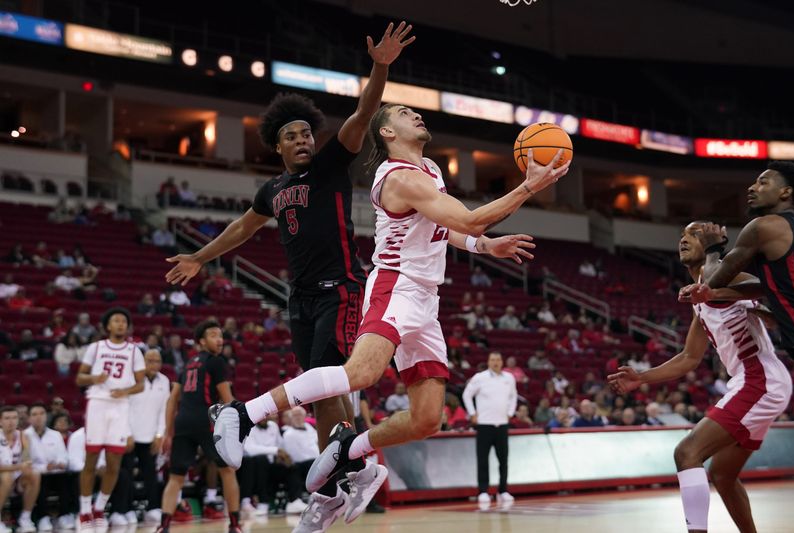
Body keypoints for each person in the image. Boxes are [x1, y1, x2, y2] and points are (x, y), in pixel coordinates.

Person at [211, 99, 566, 518]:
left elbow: (444, 227)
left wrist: (484, 246)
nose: (415, 114)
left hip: (426, 301)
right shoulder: (397, 176)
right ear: (387, 133)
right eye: (402, 114)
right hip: (394, 285)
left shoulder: (429, 169)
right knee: (360, 373)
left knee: (427, 419)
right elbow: (469, 219)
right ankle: (244, 413)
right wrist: (529, 187)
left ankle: (350, 447)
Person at [166, 21, 417, 532]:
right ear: (276, 146)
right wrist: (200, 256)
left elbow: (364, 112)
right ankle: (350, 471)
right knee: (323, 390)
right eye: (292, 135)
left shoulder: (329, 165)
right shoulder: (273, 190)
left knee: (324, 378)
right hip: (298, 297)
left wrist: (381, 67)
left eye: (306, 132)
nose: (302, 139)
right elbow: (242, 227)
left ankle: (338, 462)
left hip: (341, 288)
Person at [609, 221, 792, 533]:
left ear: (711, 241)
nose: (683, 239)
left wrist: (738, 298)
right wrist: (642, 377)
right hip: (756, 381)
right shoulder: (700, 301)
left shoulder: (729, 276)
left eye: (692, 234)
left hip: (760, 379)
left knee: (686, 452)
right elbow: (689, 357)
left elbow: (773, 302)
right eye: (681, 234)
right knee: (722, 475)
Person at [681, 161, 794, 360]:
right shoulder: (793, 227)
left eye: (763, 183)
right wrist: (718, 294)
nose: (752, 187)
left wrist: (713, 249)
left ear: (785, 192)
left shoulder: (762, 227)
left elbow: (713, 280)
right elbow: (767, 286)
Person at [155, 320, 240, 533]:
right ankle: (235, 525)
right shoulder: (216, 362)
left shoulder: (186, 364)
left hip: (183, 422)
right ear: (201, 341)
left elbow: (171, 400)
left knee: (176, 477)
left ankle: (163, 526)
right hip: (206, 421)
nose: (220, 339)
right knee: (227, 471)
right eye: (213, 335)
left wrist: (168, 431)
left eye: (220, 335)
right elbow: (227, 399)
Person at [75, 308, 145, 533]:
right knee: (91, 459)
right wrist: (95, 378)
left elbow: (140, 384)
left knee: (114, 462)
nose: (120, 324)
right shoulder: (96, 348)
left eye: (124, 321)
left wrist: (125, 392)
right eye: (116, 320)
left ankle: (99, 509)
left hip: (120, 407)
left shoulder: (134, 351)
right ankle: (84, 512)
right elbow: (79, 378)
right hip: (98, 403)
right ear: (107, 326)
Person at [462, 352, 518, 506]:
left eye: (498, 360)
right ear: (488, 362)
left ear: (502, 362)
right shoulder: (480, 377)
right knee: (483, 459)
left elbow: (514, 396)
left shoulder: (509, 378)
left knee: (503, 459)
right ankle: (483, 491)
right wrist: (472, 413)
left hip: (502, 424)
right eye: (492, 360)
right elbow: (467, 395)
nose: (495, 362)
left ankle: (503, 490)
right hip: (484, 424)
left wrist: (510, 413)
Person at [124, 350, 170, 526]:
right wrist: (127, 433)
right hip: (129, 435)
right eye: (149, 360)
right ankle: (125, 510)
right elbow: (124, 407)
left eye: (157, 361)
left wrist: (159, 435)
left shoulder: (164, 381)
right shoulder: (131, 379)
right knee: (126, 474)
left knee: (150, 474)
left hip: (150, 436)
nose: (153, 364)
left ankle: (153, 508)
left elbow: (163, 411)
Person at [24, 403, 70, 532]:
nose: (38, 417)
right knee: (40, 480)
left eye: (41, 413)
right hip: (37, 474)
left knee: (66, 478)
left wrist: (60, 463)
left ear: (46, 416)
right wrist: (45, 467)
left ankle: (64, 515)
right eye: (34, 414)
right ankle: (43, 517)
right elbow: (26, 461)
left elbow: (64, 456)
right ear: (29, 418)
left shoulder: (55, 435)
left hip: (56, 472)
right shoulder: (25, 436)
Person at [0, 406, 41, 533]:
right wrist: (18, 467)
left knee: (34, 474)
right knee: (6, 476)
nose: (11, 421)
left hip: (14, 478)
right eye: (7, 418)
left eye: (14, 417)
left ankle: (25, 518)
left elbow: (27, 460)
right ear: (0, 421)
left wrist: (24, 465)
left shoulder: (22, 435)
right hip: (3, 478)